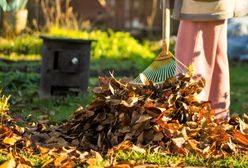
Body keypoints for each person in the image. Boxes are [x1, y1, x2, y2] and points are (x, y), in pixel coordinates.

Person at [170, 0, 248, 120]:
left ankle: (192, 118)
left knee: (192, 64)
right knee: (216, 59)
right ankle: (217, 118)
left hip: (200, 6)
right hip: (216, 6)